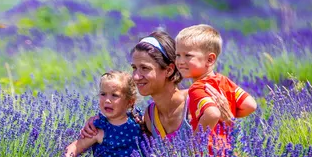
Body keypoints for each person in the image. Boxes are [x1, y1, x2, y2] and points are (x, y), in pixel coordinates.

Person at [79, 29, 234, 144]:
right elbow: (123, 125)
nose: (136, 76)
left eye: (145, 68)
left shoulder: (196, 100)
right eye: (134, 68)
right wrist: (98, 122)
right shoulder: (151, 116)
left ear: (169, 70)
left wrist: (228, 120)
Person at [174, 24, 257, 152]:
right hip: (231, 151)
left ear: (210, 59)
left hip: (210, 156)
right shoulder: (225, 81)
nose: (180, 61)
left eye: (188, 56)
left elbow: (212, 114)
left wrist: (195, 145)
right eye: (178, 55)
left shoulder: (198, 88)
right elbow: (250, 105)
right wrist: (229, 118)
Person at [56, 71, 145, 157]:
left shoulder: (138, 121)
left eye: (114, 95)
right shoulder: (98, 129)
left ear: (130, 101)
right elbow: (75, 147)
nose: (107, 100)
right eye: (103, 94)